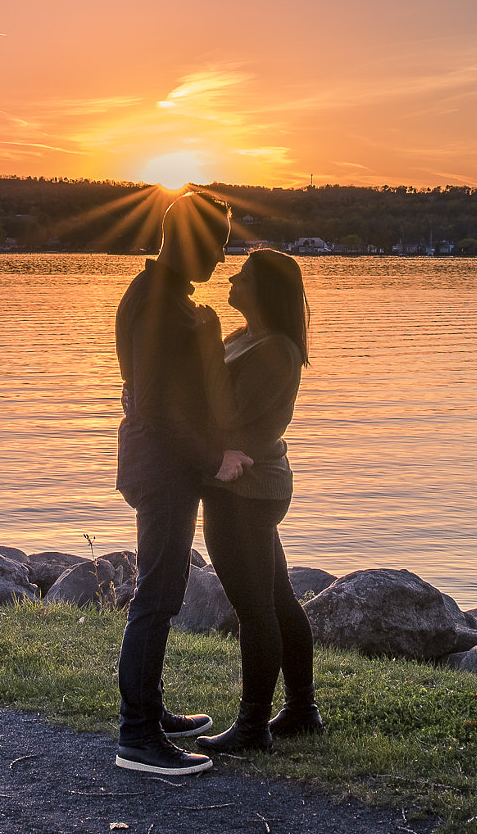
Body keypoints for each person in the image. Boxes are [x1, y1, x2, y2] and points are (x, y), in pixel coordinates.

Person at [111, 188, 249, 777]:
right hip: (163, 468)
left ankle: (149, 711)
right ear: (191, 241)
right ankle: (137, 736)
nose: (221, 258)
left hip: (160, 463)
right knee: (157, 596)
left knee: (159, 592)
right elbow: (157, 407)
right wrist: (213, 457)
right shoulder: (161, 304)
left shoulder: (158, 294)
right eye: (217, 244)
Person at [194, 247, 322, 754]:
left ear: (264, 290)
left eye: (243, 275)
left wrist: (205, 344)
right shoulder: (247, 338)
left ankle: (252, 727)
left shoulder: (276, 350)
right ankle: (302, 709)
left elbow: (227, 415)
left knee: (254, 609)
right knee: (278, 599)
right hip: (243, 486)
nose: (232, 277)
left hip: (246, 488)